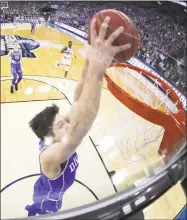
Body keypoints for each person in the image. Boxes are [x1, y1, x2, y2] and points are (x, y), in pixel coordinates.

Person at [25, 16, 131, 216]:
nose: (67, 123)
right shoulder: (49, 156)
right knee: (44, 210)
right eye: (61, 125)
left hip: (48, 186)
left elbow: (78, 99)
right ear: (51, 138)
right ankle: (34, 210)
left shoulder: (55, 135)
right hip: (48, 201)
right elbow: (82, 125)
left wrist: (91, 59)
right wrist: (98, 73)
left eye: (63, 121)